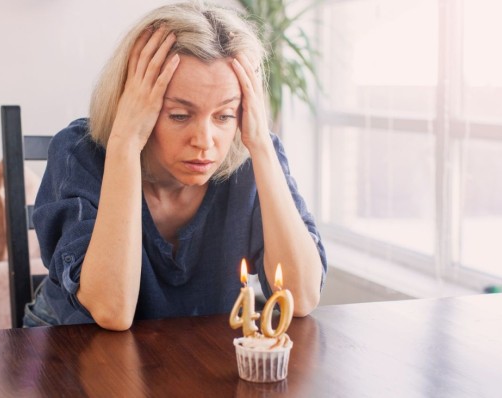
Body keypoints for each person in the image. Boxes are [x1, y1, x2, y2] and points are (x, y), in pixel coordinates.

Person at [25, 1, 327, 329]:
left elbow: (302, 297)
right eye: (180, 115)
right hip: (68, 347)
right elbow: (111, 311)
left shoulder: (252, 155)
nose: (205, 140)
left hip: (188, 355)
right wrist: (125, 144)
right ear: (133, 102)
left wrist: (262, 146)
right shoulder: (77, 152)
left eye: (225, 115)